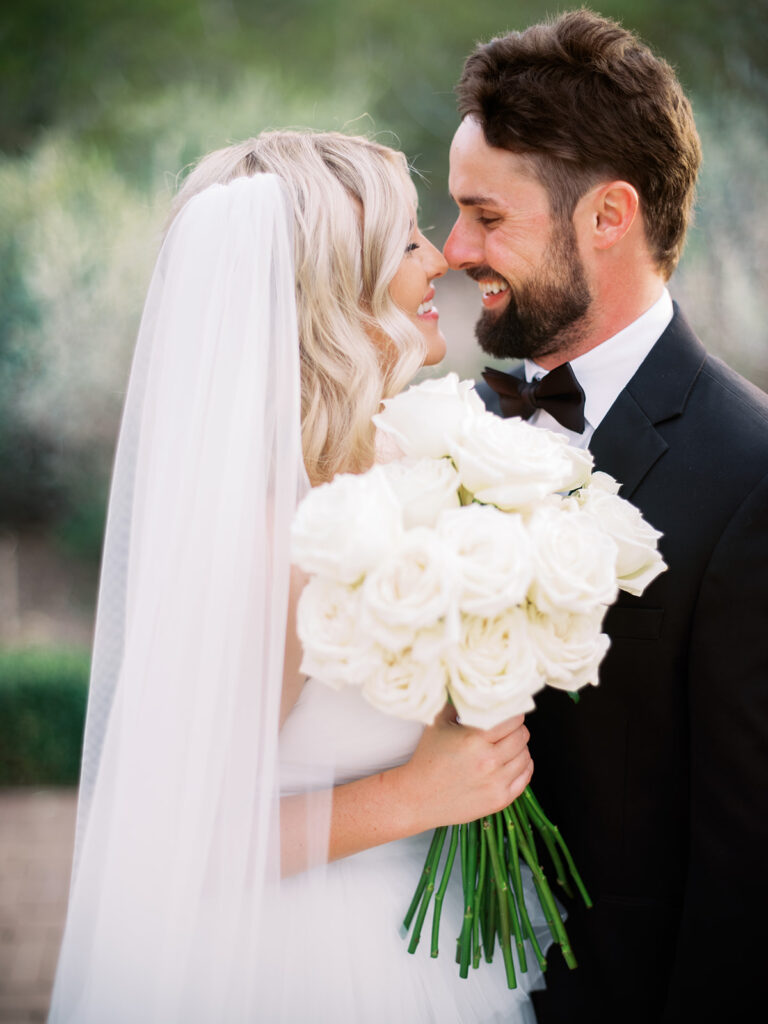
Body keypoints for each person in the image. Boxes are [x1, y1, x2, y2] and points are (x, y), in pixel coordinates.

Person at [48, 131, 548, 1023]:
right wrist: (413, 795)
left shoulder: (397, 460)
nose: (438, 258)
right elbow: (169, 842)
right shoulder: (272, 528)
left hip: (433, 935)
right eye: (404, 242)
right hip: (307, 966)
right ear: (332, 290)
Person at [444, 9, 768, 1023]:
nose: (455, 249)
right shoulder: (448, 430)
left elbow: (747, 868)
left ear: (609, 216)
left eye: (487, 217)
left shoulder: (750, 472)